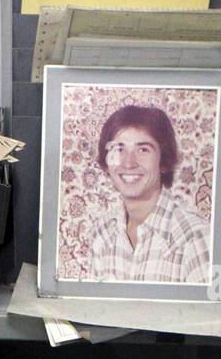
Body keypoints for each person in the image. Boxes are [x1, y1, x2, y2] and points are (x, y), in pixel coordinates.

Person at [87, 105, 212, 285]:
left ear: (163, 161)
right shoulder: (102, 232)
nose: (128, 163)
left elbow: (208, 314)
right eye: (119, 149)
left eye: (143, 149)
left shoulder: (195, 237)